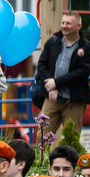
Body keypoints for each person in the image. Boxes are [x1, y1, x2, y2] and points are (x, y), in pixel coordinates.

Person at [37, 11, 90, 139]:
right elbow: (41, 65)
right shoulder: (53, 42)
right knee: (42, 136)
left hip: (74, 100)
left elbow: (83, 72)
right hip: (52, 97)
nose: (64, 26)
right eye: (63, 22)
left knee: (71, 138)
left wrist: (56, 82)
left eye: (68, 23)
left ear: (78, 26)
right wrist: (52, 86)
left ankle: (69, 159)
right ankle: (43, 159)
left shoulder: (87, 47)